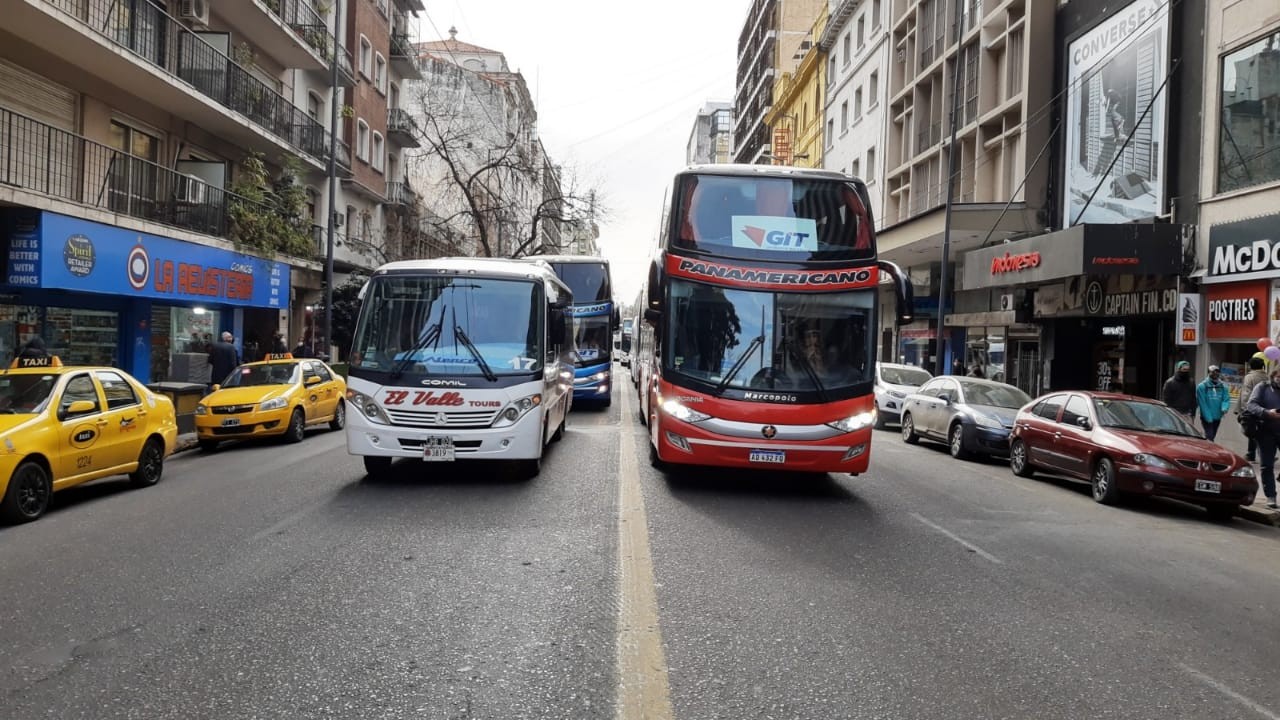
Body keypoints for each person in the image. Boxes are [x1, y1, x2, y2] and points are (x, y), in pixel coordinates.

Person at [1244, 368, 1280, 509]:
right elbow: (1251, 405)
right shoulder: (1263, 387)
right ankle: (1271, 496)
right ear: (1273, 377)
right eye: (1278, 376)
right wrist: (1266, 412)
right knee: (1267, 465)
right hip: (1265, 431)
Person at [1239, 355, 1268, 461]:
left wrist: (1244, 409)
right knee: (1262, 432)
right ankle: (1262, 454)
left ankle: (1252, 454)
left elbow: (1246, 394)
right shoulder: (1267, 377)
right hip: (1265, 409)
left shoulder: (1249, 377)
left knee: (1251, 431)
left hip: (1252, 408)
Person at [1195, 365, 1231, 442]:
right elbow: (1202, 403)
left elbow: (1226, 399)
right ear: (1208, 373)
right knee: (1209, 436)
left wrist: (1224, 408)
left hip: (1217, 416)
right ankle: (1208, 452)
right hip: (1206, 417)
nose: (1215, 373)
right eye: (1213, 372)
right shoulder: (1202, 386)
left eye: (1217, 372)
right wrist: (1208, 417)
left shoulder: (1223, 386)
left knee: (1212, 436)